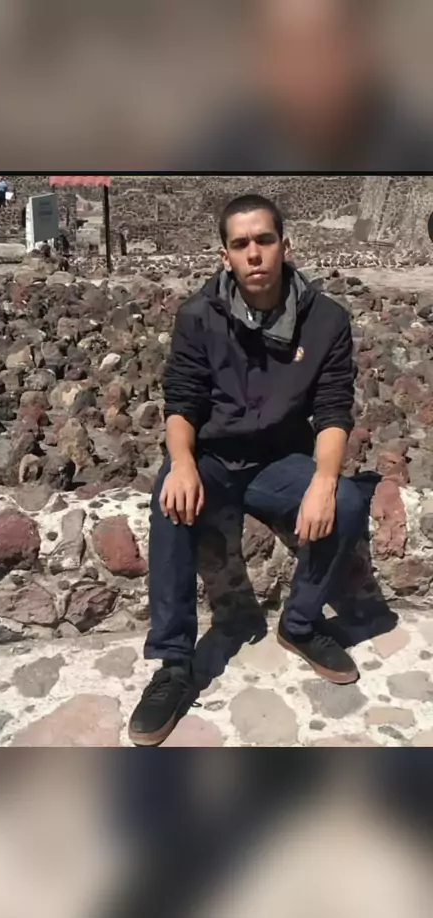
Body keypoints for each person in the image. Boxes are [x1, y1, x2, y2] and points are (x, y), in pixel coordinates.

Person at [128, 194, 367, 747]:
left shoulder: (326, 319)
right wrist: (181, 463)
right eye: (240, 244)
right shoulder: (199, 315)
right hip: (212, 457)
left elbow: (334, 409)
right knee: (169, 502)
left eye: (264, 240)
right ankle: (174, 665)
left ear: (285, 245)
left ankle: (299, 624)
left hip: (281, 459)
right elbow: (181, 401)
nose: (254, 253)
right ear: (225, 256)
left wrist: (324, 481)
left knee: (348, 502)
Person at [179, 0, 433, 171]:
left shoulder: (416, 151)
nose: (307, 70)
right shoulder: (218, 154)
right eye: (284, 49)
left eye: (324, 45)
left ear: (362, 49)